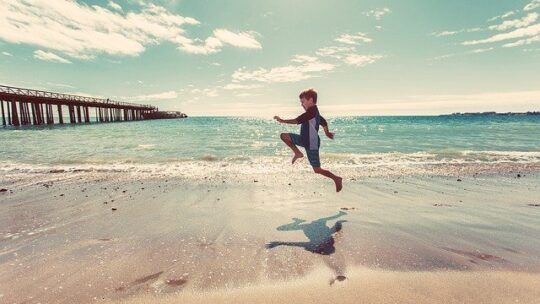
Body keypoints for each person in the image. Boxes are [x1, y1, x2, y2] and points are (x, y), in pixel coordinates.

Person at [274, 88, 343, 192]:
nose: (302, 105)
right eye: (301, 102)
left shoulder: (311, 112)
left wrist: (282, 120)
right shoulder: (314, 112)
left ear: (310, 100)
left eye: (303, 102)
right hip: (303, 139)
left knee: (317, 170)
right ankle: (298, 153)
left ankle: (336, 178)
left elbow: (297, 120)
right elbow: (323, 122)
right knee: (284, 136)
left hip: (312, 143)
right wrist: (327, 132)